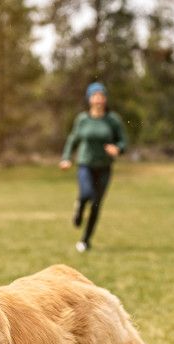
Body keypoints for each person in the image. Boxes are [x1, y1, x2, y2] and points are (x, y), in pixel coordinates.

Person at [59, 82, 127, 252]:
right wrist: (67, 158)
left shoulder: (113, 120)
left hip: (104, 167)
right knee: (87, 194)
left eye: (101, 96)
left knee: (97, 204)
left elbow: (123, 141)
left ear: (105, 99)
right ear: (89, 99)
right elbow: (72, 140)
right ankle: (79, 209)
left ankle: (85, 240)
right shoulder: (82, 120)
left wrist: (117, 148)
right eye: (95, 96)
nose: (99, 99)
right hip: (85, 164)